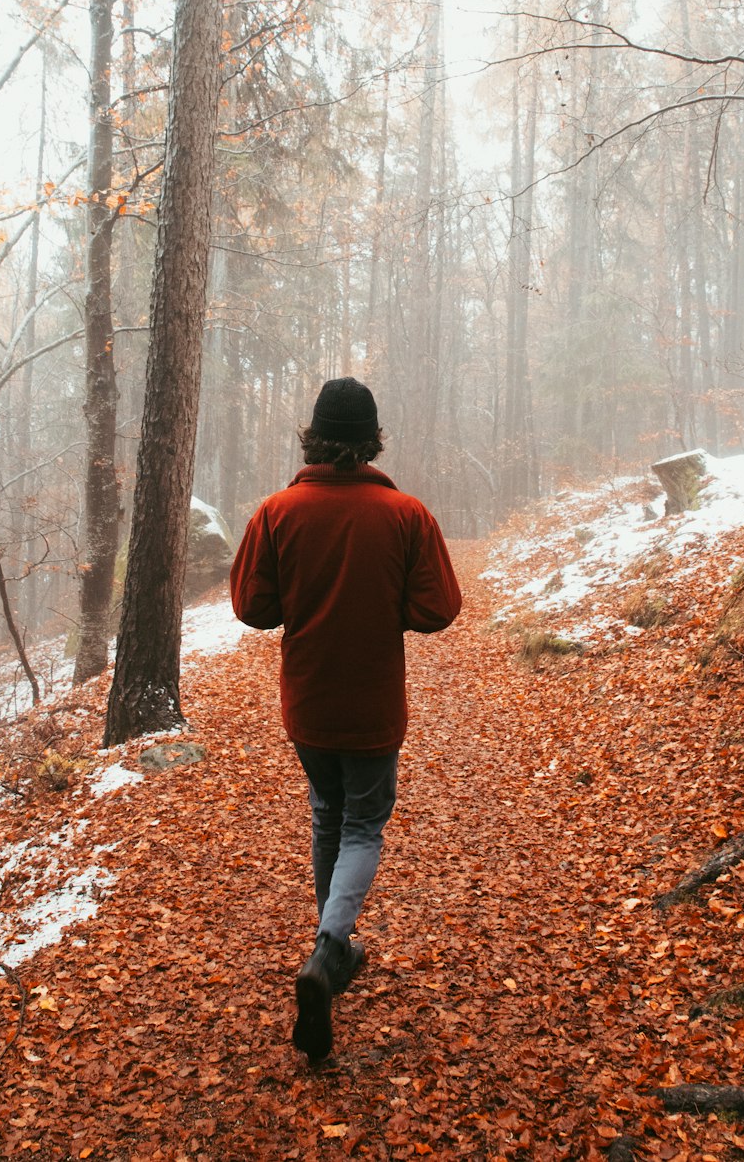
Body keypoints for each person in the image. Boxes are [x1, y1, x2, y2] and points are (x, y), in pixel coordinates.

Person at [229, 377, 462, 1060]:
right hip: (373, 702)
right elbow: (438, 609)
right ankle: (331, 952)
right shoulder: (405, 515)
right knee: (362, 822)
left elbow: (252, 607)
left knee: (328, 815)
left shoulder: (276, 513)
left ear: (314, 434)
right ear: (372, 440)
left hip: (307, 701)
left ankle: (330, 941)